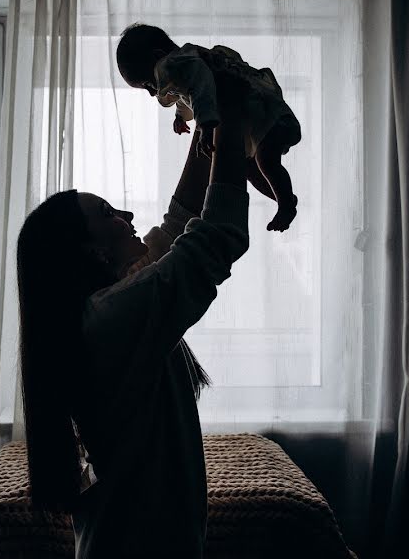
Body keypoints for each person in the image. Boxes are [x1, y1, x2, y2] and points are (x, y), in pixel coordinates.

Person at [15, 87, 251, 558]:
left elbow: (179, 222)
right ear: (92, 252)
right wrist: (234, 130)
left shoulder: (105, 308)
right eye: (109, 214)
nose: (127, 216)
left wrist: (207, 121)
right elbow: (210, 241)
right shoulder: (109, 321)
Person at [116, 22, 302, 232]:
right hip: (251, 118)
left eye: (147, 84)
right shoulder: (184, 67)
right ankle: (284, 198)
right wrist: (181, 116)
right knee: (249, 167)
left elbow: (201, 84)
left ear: (157, 56)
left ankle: (286, 203)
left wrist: (206, 126)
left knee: (266, 160)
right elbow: (188, 95)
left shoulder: (181, 63)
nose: (152, 92)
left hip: (266, 113)